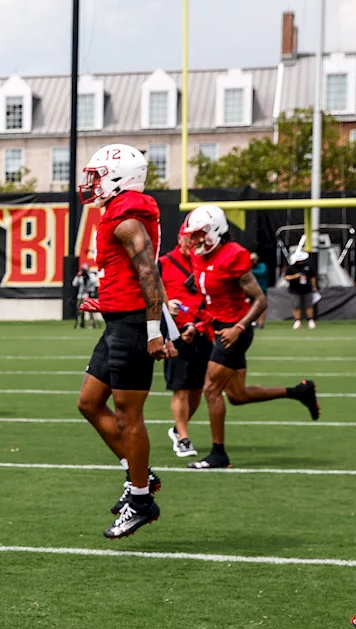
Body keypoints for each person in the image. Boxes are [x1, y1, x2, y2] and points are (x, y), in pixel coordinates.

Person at [74, 143, 174, 540]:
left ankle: (141, 498)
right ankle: (140, 472)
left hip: (134, 327)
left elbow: (149, 271)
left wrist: (154, 332)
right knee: (88, 403)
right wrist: (108, 300)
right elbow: (131, 274)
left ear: (118, 177)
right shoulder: (119, 212)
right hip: (119, 320)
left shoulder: (127, 215)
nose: (92, 184)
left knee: (127, 415)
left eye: (97, 175)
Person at [184, 205, 320, 470]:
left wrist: (239, 328)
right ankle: (299, 392)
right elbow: (207, 291)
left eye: (200, 233)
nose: (195, 239)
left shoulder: (233, 255)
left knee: (211, 390)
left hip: (235, 329)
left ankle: (218, 454)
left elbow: (259, 300)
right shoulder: (199, 257)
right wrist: (196, 322)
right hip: (219, 326)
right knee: (237, 395)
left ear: (215, 230)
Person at [160, 222, 209, 459]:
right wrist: (165, 305)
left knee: (198, 387)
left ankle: (178, 429)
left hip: (201, 329)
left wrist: (197, 325)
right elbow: (150, 293)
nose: (193, 243)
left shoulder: (205, 262)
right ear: (179, 238)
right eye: (189, 238)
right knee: (180, 387)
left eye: (197, 238)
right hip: (176, 332)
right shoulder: (164, 263)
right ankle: (183, 437)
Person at [284, 248, 318, 330]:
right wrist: (294, 276)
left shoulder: (308, 267)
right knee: (296, 306)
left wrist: (314, 287)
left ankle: (310, 320)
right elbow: (286, 277)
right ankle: (297, 321)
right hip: (295, 290)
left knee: (309, 305)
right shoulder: (291, 268)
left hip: (307, 289)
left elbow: (313, 277)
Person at [73, 264, 100, 329]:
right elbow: (74, 284)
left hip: (88, 295)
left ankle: (92, 324)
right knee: (80, 310)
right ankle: (81, 323)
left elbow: (94, 282)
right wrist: (77, 276)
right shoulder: (80, 276)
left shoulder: (91, 275)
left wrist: (88, 277)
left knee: (90, 311)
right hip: (80, 295)